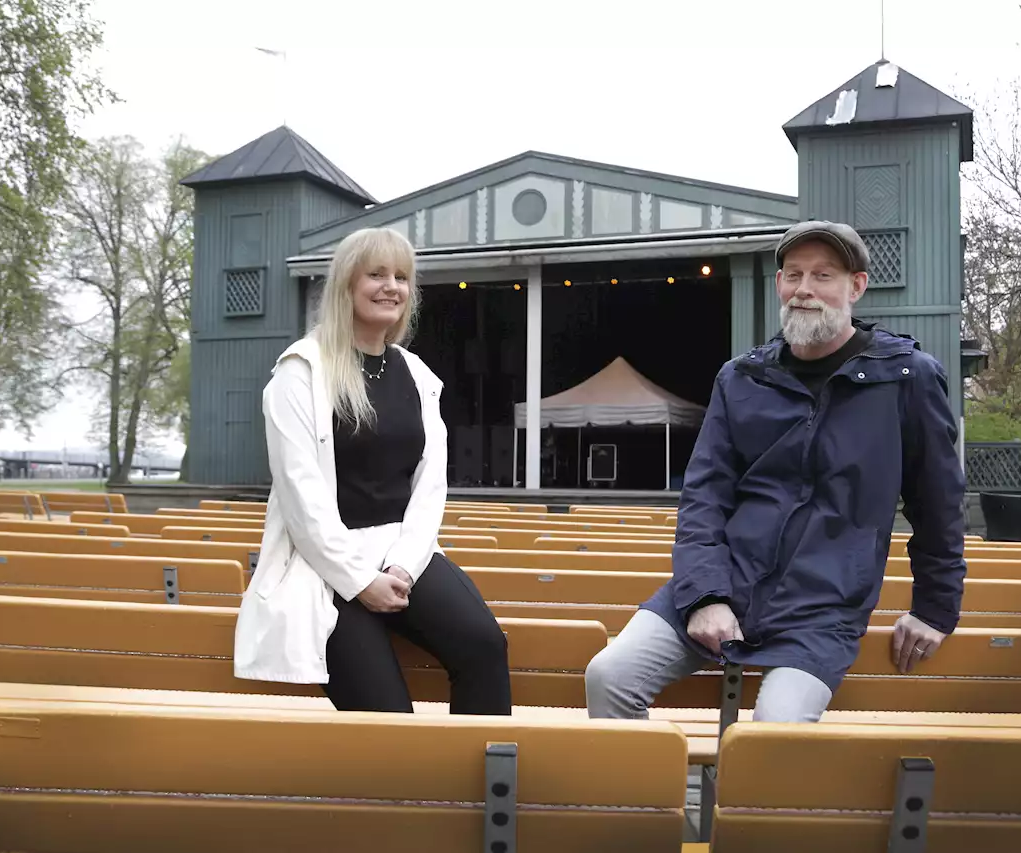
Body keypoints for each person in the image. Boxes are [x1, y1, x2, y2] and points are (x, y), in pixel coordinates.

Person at [585, 219, 967, 722]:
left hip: (821, 611)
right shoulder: (743, 378)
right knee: (609, 675)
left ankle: (740, 805)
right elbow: (704, 497)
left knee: (777, 728)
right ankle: (648, 802)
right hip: (722, 583)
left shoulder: (906, 378)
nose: (803, 289)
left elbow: (938, 503)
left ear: (856, 286)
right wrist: (704, 595)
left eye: (823, 275)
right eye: (792, 274)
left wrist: (934, 609)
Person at [233, 226, 512, 715]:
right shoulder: (300, 373)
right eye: (377, 274)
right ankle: (409, 791)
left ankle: (483, 788)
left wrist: (402, 565)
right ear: (346, 285)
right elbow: (301, 499)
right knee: (387, 713)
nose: (392, 287)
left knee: (484, 646)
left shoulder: (417, 374)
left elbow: (430, 486)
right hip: (323, 566)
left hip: (403, 554)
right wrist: (360, 581)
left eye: (402, 277)